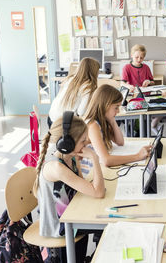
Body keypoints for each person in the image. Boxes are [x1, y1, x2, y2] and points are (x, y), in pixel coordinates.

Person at [33, 112, 105, 262]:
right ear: (67, 144)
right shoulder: (56, 167)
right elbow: (98, 192)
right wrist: (94, 158)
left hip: (72, 214)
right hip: (59, 226)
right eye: (83, 141)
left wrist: (77, 158)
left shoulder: (68, 156)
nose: (86, 145)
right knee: (107, 224)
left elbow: (81, 184)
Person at [84, 84, 151, 167]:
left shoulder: (103, 122)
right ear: (105, 105)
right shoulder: (93, 125)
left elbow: (120, 142)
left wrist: (112, 121)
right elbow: (106, 160)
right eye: (116, 107)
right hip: (88, 172)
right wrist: (137, 156)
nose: (118, 111)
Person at [48, 57, 100, 128]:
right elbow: (81, 111)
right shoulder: (88, 86)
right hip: (64, 125)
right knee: (95, 122)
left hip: (51, 120)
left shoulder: (69, 79)